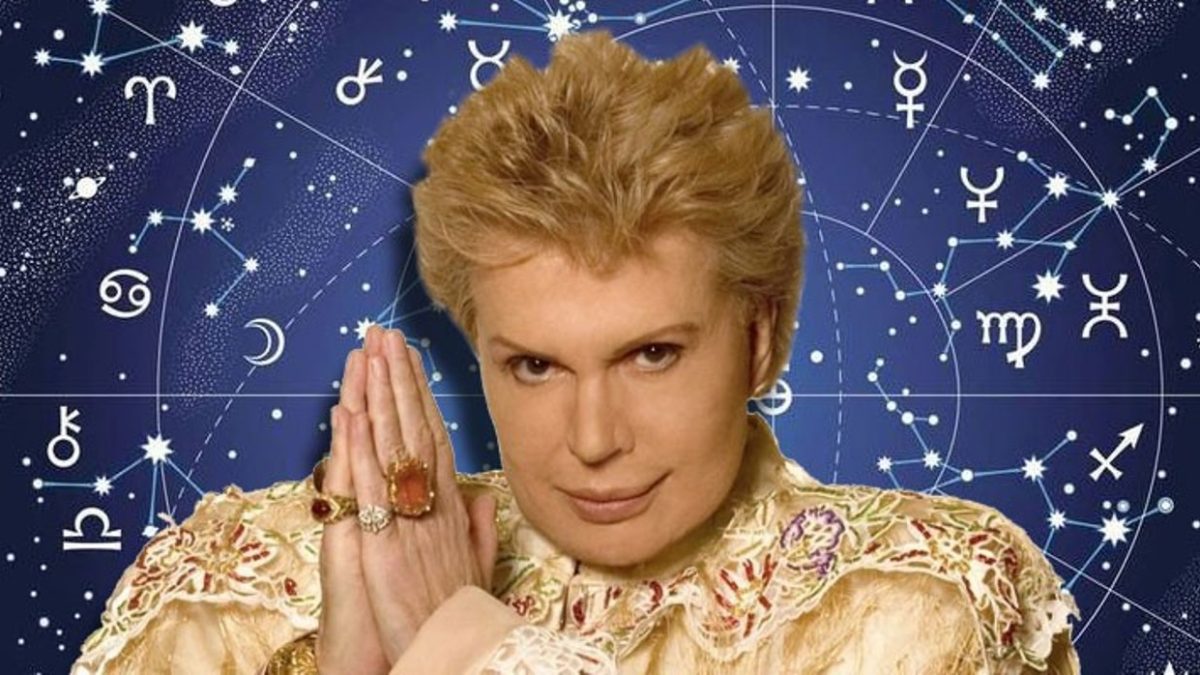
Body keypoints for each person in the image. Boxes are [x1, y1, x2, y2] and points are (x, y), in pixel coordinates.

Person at [71, 30, 1081, 674]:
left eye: (652, 355)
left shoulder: (921, 601)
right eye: (535, 366)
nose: (593, 440)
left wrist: (466, 646)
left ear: (760, 338)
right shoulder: (233, 594)